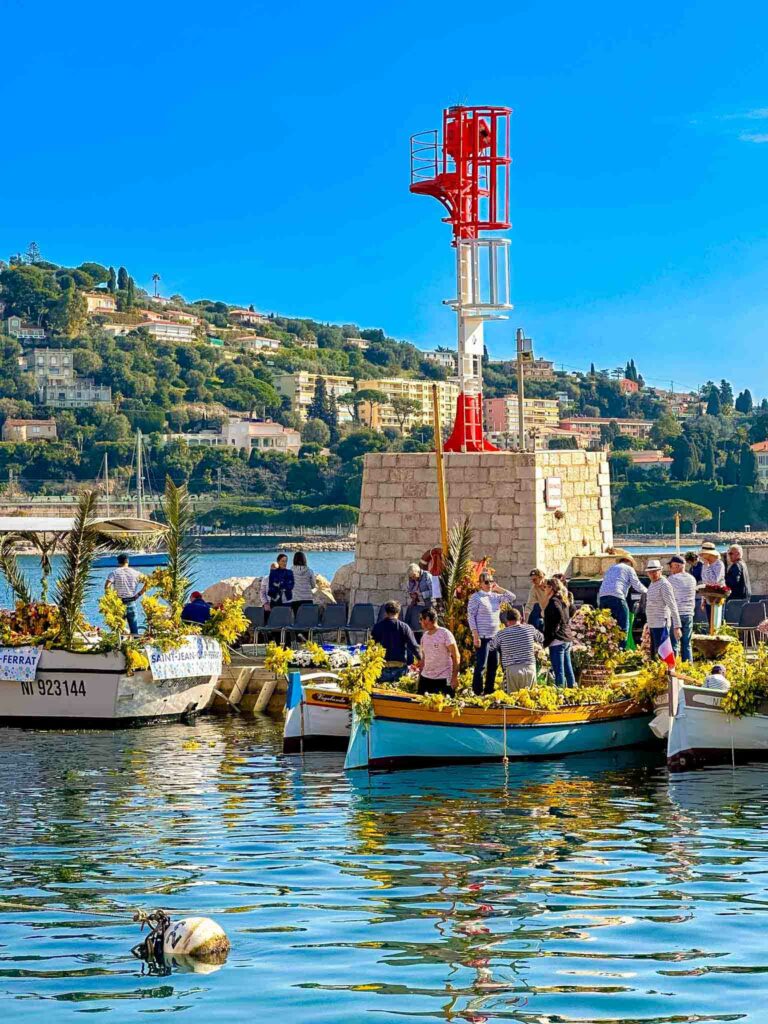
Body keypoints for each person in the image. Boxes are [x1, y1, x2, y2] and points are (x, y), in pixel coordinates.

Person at [467, 571, 517, 695]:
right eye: (486, 582)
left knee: (493, 665)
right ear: (480, 583)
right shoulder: (476, 597)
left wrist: (498, 588)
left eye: (491, 581)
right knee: (481, 666)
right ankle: (477, 691)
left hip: (495, 637)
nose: (489, 584)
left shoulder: (496, 597)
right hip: (482, 637)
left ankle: (489, 691)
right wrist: (475, 635)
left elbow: (512, 597)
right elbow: (471, 617)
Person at [488, 607, 543, 692]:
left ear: (507, 621)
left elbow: (491, 647)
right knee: (530, 699)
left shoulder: (502, 634)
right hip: (530, 669)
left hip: (512, 671)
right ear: (520, 618)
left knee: (511, 701)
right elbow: (541, 638)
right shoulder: (530, 629)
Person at [371, 600, 420, 684]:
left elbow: (372, 646)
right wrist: (420, 659)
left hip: (382, 668)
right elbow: (413, 646)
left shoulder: (377, 627)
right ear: (398, 612)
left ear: (385, 612)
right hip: (399, 669)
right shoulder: (404, 627)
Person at [597, 555, 647, 635]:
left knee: (607, 627)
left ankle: (610, 646)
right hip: (617, 597)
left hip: (602, 597)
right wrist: (648, 591)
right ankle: (622, 647)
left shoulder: (610, 568)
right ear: (630, 563)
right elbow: (637, 585)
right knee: (623, 626)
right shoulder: (629, 569)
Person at [414, 608, 459, 696]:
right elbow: (424, 658)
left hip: (443, 678)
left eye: (421, 619)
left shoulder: (445, 634)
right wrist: (420, 676)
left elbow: (456, 656)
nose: (420, 622)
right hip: (426, 678)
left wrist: (454, 677)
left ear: (427, 619)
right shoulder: (424, 636)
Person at [644, 559, 682, 658]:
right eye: (650, 572)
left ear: (660, 571)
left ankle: (668, 671)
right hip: (653, 623)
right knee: (655, 654)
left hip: (661, 622)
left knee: (664, 654)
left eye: (654, 572)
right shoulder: (652, 584)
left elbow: (672, 605)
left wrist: (677, 626)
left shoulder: (664, 584)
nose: (652, 574)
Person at [542, 577, 575, 687]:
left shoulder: (554, 602)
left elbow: (557, 616)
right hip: (566, 638)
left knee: (559, 671)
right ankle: (573, 692)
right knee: (568, 669)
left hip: (557, 639)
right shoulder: (562, 599)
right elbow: (571, 611)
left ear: (551, 588)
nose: (544, 589)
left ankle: (561, 694)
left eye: (545, 587)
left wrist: (549, 637)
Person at [105, 553, 147, 636]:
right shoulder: (136, 573)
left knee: (118, 628)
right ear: (128, 561)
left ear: (118, 562)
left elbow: (107, 586)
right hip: (132, 602)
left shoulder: (114, 573)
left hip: (119, 603)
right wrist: (139, 594)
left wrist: (110, 598)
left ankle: (119, 646)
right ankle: (136, 646)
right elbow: (148, 583)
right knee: (134, 627)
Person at [667, 555, 697, 663]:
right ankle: (688, 667)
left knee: (674, 642)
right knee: (686, 643)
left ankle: (674, 668)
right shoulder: (692, 579)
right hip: (689, 613)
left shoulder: (672, 579)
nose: (670, 569)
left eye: (671, 566)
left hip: (676, 614)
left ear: (678, 566)